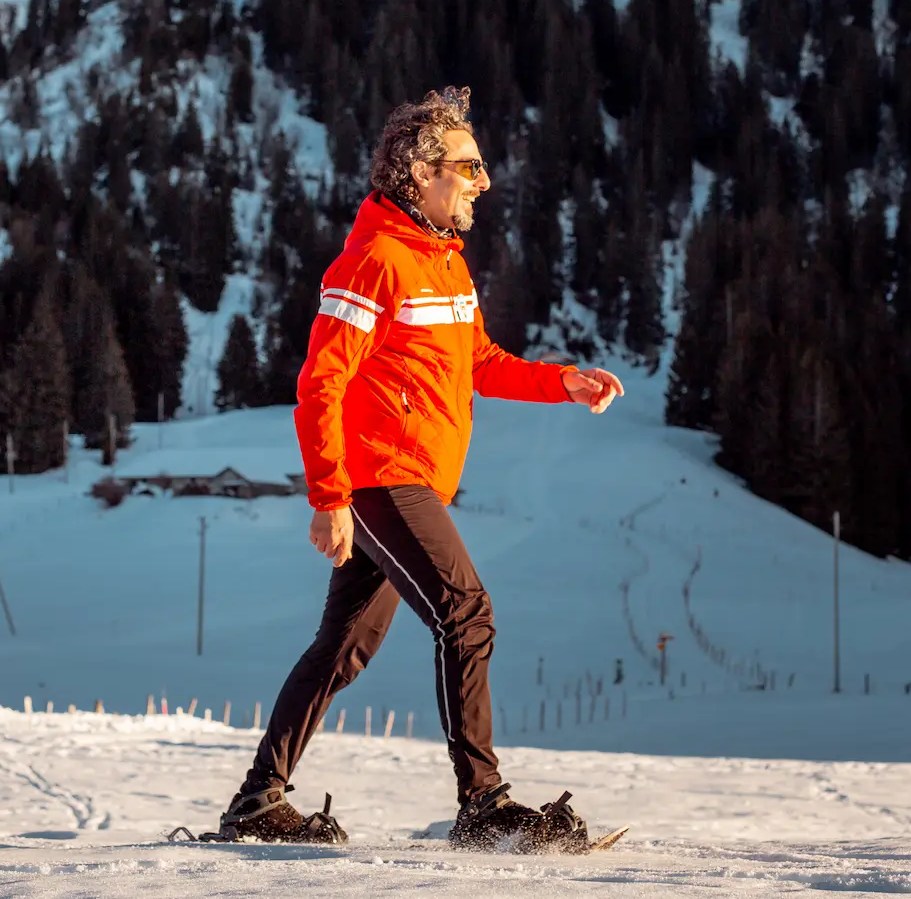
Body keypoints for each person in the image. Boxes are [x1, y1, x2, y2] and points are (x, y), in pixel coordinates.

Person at [219, 87, 625, 849]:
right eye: (470, 166)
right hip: (380, 475)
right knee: (467, 612)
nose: (484, 181)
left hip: (410, 479)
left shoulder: (444, 264)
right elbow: (320, 382)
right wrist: (330, 494)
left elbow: (480, 361)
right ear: (421, 170)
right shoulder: (373, 259)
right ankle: (484, 804)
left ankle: (255, 803)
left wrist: (561, 380)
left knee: (341, 649)